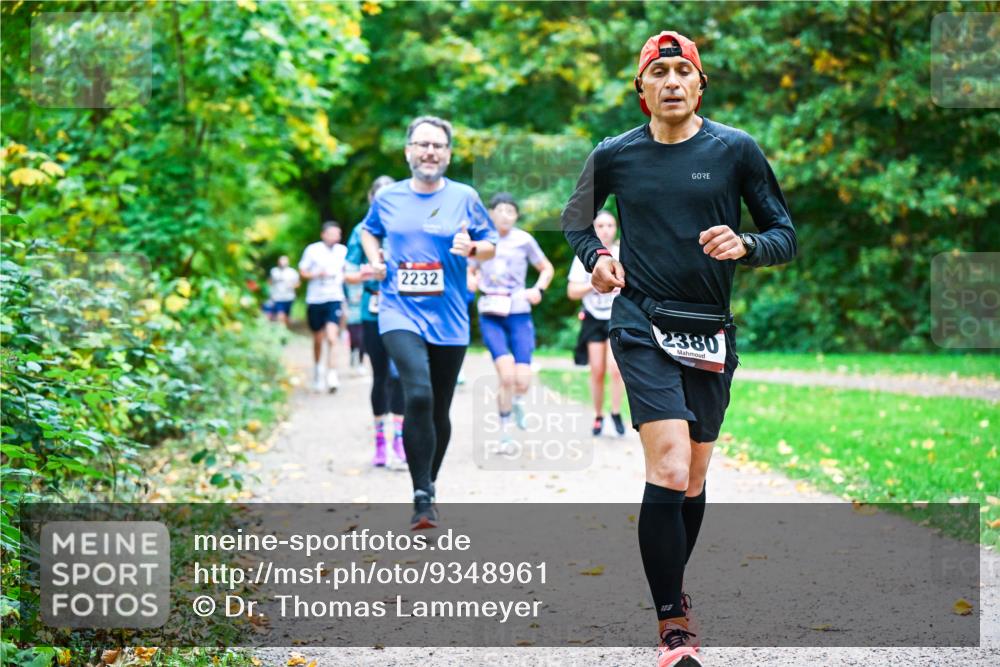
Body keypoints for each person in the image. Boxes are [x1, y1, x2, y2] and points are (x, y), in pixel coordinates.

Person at [561, 31, 796, 667]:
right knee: (665, 468)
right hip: (641, 323)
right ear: (641, 89)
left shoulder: (735, 150)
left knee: (691, 482)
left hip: (711, 328)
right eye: (657, 72)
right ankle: (673, 624)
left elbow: (784, 234)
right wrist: (600, 259)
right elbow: (575, 221)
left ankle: (671, 581)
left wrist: (747, 246)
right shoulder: (613, 155)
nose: (670, 82)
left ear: (699, 85)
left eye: (680, 71)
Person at [361, 116, 497, 529]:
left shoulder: (465, 197)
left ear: (448, 154)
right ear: (408, 151)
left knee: (439, 408)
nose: (429, 152)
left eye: (438, 146)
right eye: (422, 144)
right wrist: (374, 258)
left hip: (450, 317)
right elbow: (368, 231)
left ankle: (428, 484)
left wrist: (472, 246)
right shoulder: (388, 199)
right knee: (416, 393)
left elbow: (490, 245)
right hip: (398, 310)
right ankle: (421, 496)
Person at [468, 192, 554, 449]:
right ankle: (505, 433)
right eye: (501, 210)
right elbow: (469, 267)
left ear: (516, 216)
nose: (505, 216)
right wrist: (471, 279)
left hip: (518, 311)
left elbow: (546, 268)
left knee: (522, 380)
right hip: (491, 312)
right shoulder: (482, 241)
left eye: (511, 211)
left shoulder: (524, 240)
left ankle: (516, 401)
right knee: (506, 377)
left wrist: (538, 289)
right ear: (491, 213)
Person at [345, 175, 406, 468]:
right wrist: (370, 272)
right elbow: (347, 274)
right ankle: (381, 442)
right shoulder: (361, 231)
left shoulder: (407, 226)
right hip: (373, 310)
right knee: (381, 376)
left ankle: (400, 439)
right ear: (372, 200)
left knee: (400, 376)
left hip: (406, 310)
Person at [567, 211, 627, 437]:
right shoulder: (585, 255)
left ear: (616, 228)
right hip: (593, 318)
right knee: (597, 371)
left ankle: (616, 412)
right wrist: (596, 283)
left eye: (610, 225)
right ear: (594, 229)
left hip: (617, 316)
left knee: (615, 370)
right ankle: (598, 415)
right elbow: (572, 291)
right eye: (600, 225)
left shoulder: (624, 252)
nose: (605, 230)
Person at [298, 221, 349, 393]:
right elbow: (302, 271)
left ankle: (332, 374)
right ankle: (318, 370)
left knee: (332, 337)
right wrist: (316, 274)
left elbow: (347, 271)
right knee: (318, 339)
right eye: (333, 233)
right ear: (323, 234)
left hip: (334, 297)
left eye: (338, 234)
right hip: (315, 299)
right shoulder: (312, 250)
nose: (336, 237)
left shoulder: (343, 251)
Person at [267, 255, 300, 327]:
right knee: (280, 314)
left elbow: (298, 284)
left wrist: (292, 286)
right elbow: (269, 281)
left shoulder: (292, 272)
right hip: (277, 297)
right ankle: (282, 329)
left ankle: (286, 329)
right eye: (281, 261)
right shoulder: (274, 271)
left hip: (289, 297)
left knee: (286, 315)